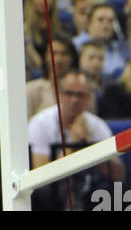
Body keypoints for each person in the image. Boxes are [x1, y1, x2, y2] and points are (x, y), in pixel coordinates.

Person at [29, 70, 123, 210]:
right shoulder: (40, 124)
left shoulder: (97, 126)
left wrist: (93, 149)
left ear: (89, 97)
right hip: (50, 197)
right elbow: (41, 178)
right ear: (59, 94)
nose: (74, 100)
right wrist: (74, 144)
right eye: (69, 94)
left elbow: (118, 175)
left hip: (90, 192)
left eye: (80, 95)